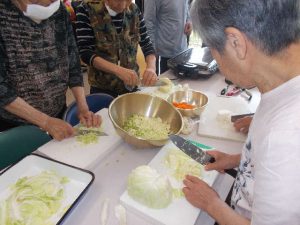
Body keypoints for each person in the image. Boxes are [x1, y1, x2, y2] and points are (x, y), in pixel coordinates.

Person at [183, 0, 300, 225]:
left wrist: (212, 204)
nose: (215, 60)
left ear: (236, 42)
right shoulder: (280, 86)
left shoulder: (285, 138)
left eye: (213, 50)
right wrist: (234, 160)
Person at [0, 0, 101, 141]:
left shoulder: (59, 12)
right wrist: (45, 121)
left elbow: (72, 61)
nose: (50, 6)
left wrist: (82, 105)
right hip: (16, 125)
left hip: (57, 112)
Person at [75, 0, 157, 98]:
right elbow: (85, 53)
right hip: (103, 87)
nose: (123, 5)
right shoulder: (86, 9)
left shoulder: (134, 10)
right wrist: (118, 70)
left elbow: (147, 44)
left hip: (132, 85)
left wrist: (151, 68)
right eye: (118, 0)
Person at [144, 0, 192, 74]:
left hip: (182, 50)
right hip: (164, 54)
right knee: (163, 83)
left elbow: (186, 5)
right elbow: (148, 22)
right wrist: (151, 51)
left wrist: (189, 20)